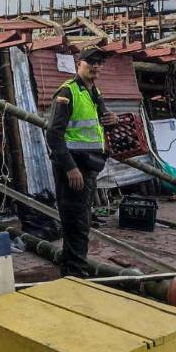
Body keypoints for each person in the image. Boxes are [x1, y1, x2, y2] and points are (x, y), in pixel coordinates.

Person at [46, 47, 119, 277]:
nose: (96, 66)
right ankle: (77, 275)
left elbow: (100, 122)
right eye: (91, 61)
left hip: (88, 167)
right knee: (77, 224)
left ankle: (70, 271)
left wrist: (113, 120)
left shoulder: (95, 92)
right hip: (73, 169)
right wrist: (70, 168)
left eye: (99, 62)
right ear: (79, 63)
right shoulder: (68, 92)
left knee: (78, 221)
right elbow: (53, 135)